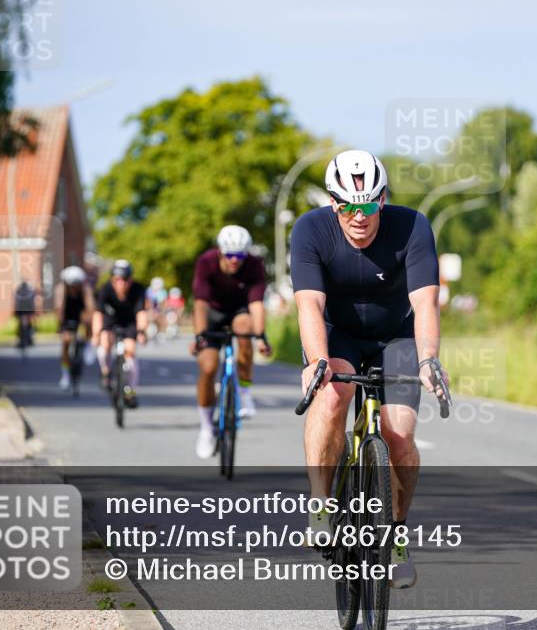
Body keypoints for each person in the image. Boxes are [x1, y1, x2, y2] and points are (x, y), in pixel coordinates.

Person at [290, 149, 449, 589]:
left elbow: (425, 303)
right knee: (333, 394)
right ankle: (321, 503)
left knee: (399, 436)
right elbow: (309, 304)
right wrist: (317, 361)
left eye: (370, 204)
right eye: (349, 207)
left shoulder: (412, 226)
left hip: (395, 336)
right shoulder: (310, 230)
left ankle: (396, 533)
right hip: (337, 333)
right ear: (333, 203)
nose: (360, 216)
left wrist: (428, 359)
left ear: (382, 199)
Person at [190, 225, 272, 458]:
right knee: (208, 367)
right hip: (213, 313)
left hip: (239, 310)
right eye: (230, 255)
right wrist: (200, 336)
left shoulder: (255, 264)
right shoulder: (206, 262)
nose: (235, 260)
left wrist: (261, 337)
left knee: (246, 329)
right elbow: (200, 304)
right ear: (220, 251)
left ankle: (244, 393)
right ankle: (206, 428)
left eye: (240, 255)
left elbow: (256, 304)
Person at [92, 260, 148, 407]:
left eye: (125, 279)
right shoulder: (105, 289)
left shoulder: (138, 289)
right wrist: (96, 334)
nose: (121, 283)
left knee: (130, 353)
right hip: (110, 321)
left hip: (129, 322)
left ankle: (131, 392)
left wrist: (142, 331)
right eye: (117, 279)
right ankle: (106, 373)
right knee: (104, 346)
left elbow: (141, 312)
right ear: (112, 279)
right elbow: (98, 313)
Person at [54, 266, 95, 389]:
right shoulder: (61, 289)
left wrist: (87, 321)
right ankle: (65, 375)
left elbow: (90, 307)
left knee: (88, 322)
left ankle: (88, 345)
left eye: (76, 284)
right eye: (71, 285)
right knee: (66, 342)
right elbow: (59, 308)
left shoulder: (85, 290)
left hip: (79, 313)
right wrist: (61, 326)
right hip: (67, 315)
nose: (73, 288)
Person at [13, 280, 37, 348]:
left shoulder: (18, 291)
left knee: (22, 324)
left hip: (21, 310)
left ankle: (24, 339)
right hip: (27, 310)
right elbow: (32, 301)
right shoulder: (30, 291)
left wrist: (16, 311)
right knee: (27, 324)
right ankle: (28, 339)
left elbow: (16, 301)